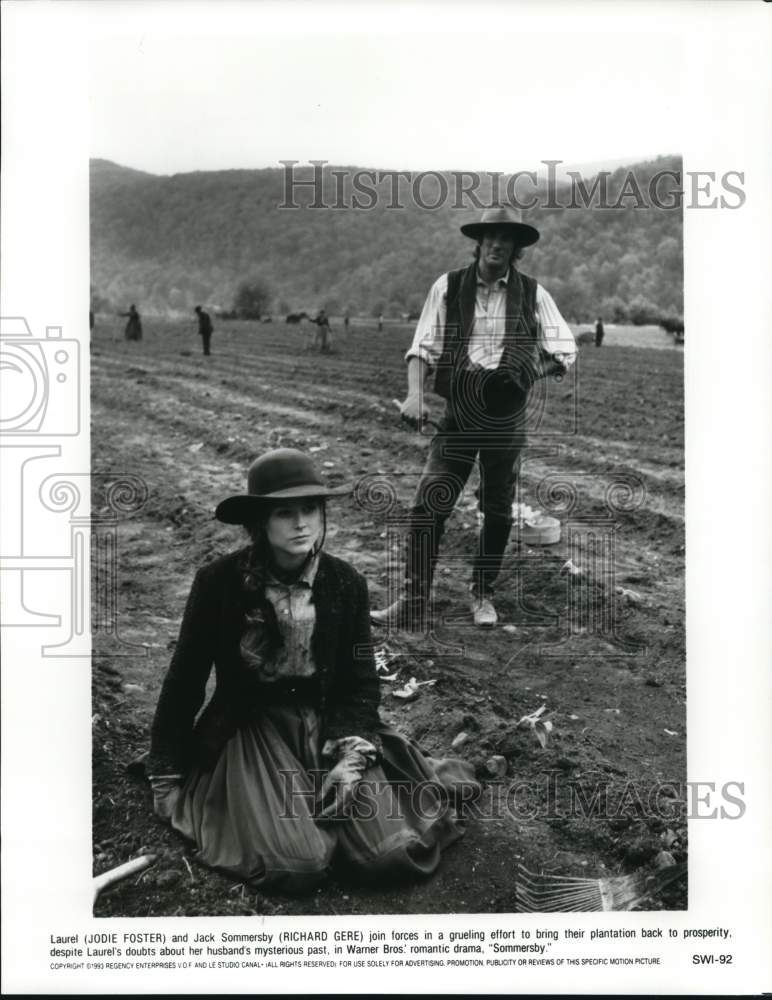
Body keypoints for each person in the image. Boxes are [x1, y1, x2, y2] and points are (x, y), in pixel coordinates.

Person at [145, 449, 472, 892]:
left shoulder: (346, 583)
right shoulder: (218, 582)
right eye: (285, 512)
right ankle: (279, 818)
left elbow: (359, 682)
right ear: (259, 521)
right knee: (300, 865)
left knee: (392, 856)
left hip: (329, 724)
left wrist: (351, 760)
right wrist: (166, 772)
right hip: (252, 729)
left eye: (311, 510)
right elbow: (184, 681)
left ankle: (384, 790)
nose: (301, 523)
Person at [371, 206, 577, 630]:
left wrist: (527, 374)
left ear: (516, 248)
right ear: (479, 242)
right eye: (492, 237)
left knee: (499, 513)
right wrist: (414, 396)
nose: (498, 245)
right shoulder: (448, 288)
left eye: (508, 239)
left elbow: (565, 351)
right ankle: (413, 599)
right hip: (459, 416)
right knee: (429, 504)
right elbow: (421, 348)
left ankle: (482, 593)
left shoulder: (533, 293)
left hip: (506, 419)